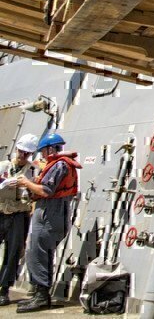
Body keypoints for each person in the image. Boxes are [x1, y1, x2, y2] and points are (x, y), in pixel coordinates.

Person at [16, 132, 79, 313]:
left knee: (38, 254)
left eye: (43, 151)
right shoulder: (62, 164)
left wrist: (26, 183)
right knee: (39, 254)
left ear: (50, 149)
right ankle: (40, 294)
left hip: (49, 215)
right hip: (53, 214)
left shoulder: (59, 164)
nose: (43, 155)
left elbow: (45, 190)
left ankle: (42, 297)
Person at [0, 135, 37, 306]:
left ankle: (4, 289)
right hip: (1, 211)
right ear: (16, 149)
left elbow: (37, 192)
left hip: (19, 214)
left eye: (26, 153)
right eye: (21, 151)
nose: (22, 155)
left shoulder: (33, 170)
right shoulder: (3, 166)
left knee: (13, 253)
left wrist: (27, 186)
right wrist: (4, 184)